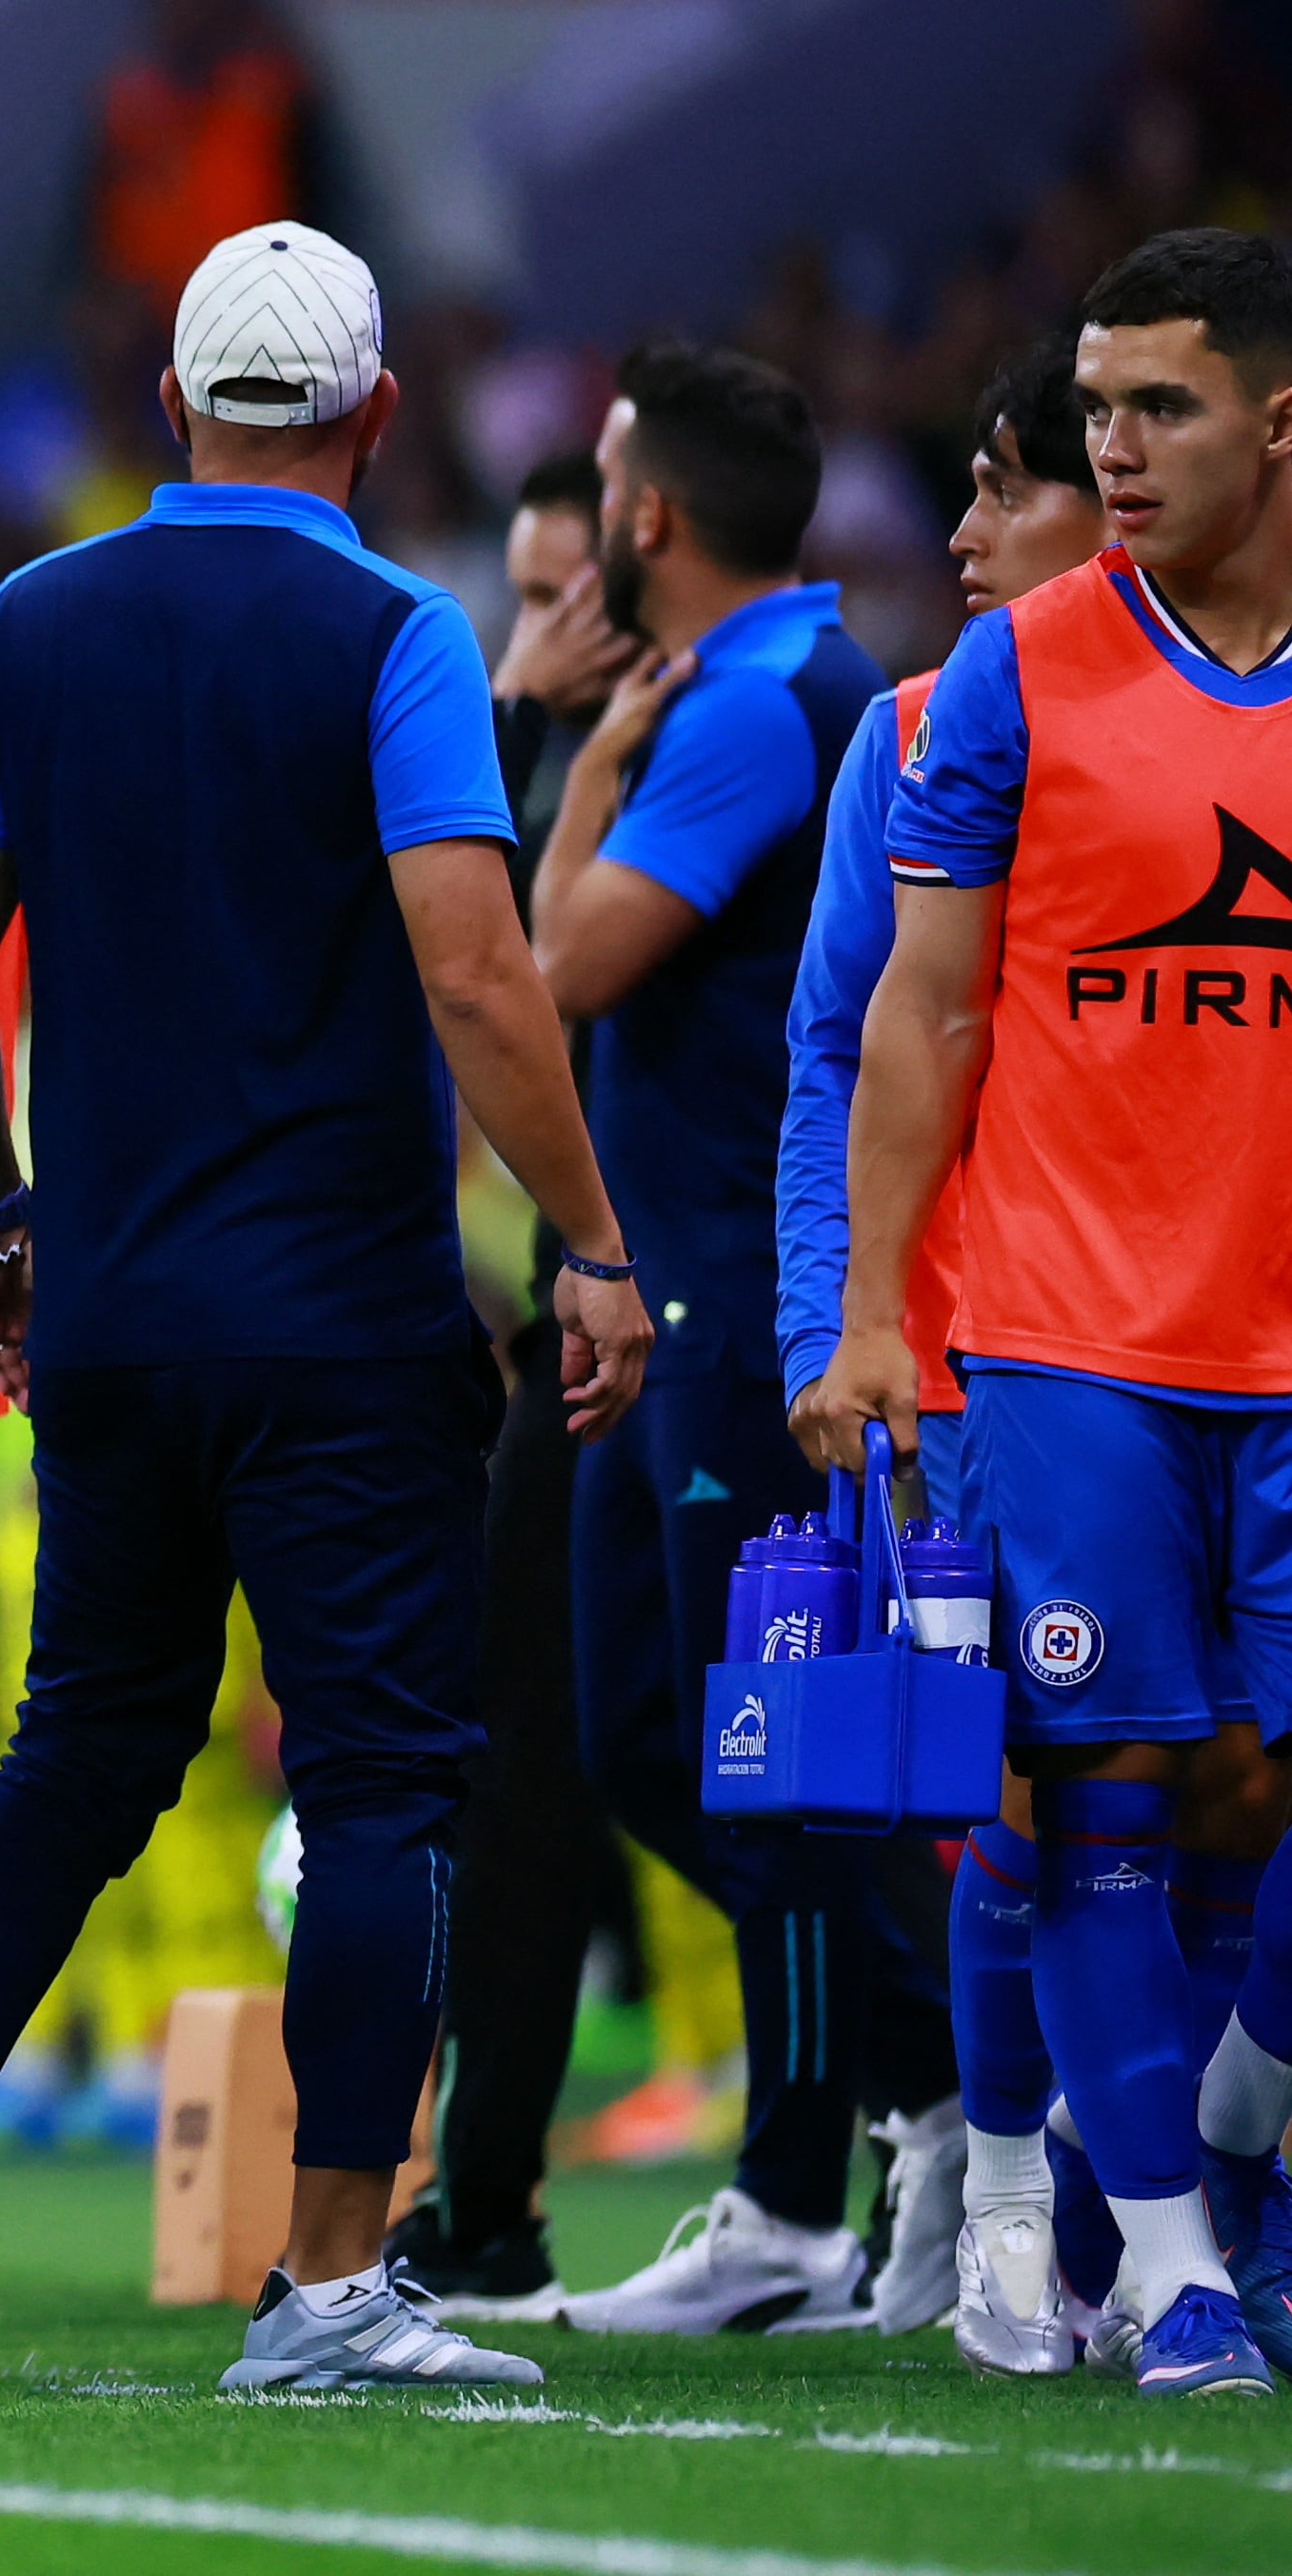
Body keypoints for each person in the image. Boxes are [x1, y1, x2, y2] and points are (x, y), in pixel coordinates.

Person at [0, 219, 651, 2397]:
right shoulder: (395, 629)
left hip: (105, 1307)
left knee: (76, 1748)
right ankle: (331, 2283)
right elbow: (474, 971)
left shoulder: (28, 621)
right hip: (341, 1320)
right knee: (381, 1786)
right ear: (371, 415)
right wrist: (589, 1240)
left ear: (171, 405)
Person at [825, 225, 1292, 2400]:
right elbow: (914, 1017)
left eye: (1156, 407)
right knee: (1095, 1783)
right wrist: (866, 1313)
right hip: (1066, 1338)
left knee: (1254, 1806)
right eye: (1090, 409)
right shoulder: (1012, 674)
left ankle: (1220, 2128)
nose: (1108, 447)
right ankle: (1175, 2271)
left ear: (1275, 422)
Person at [530, 342, 961, 2340]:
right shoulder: (741, 688)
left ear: (644, 513)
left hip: (731, 1295)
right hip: (674, 1294)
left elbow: (552, 972)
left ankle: (796, 2198)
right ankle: (943, 2082)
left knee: (761, 1761)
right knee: (646, 1739)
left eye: (604, 479)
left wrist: (578, 782)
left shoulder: (762, 705)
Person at [383, 448, 645, 2316]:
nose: (535, 629)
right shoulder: (506, 754)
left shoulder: (700, 752)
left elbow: (509, 987)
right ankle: (482, 2191)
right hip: (551, 1318)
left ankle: (907, 2113)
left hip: (671, 1311)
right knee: (537, 1765)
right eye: (521, 592)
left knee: (673, 1762)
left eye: (566, 597)